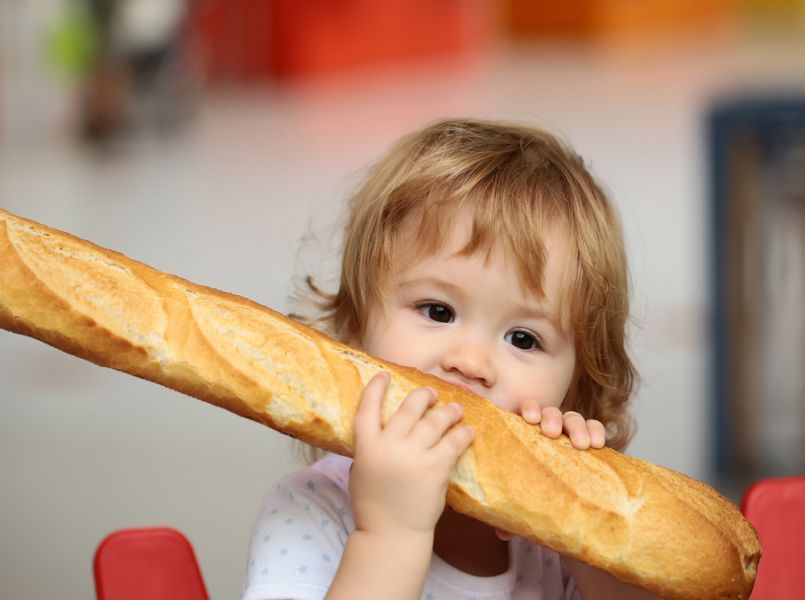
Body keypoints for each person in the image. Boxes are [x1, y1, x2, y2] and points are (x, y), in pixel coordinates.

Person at [242, 119, 654, 599]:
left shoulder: (552, 551)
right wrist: (391, 536)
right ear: (351, 335)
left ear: (577, 388)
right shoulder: (311, 512)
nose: (471, 362)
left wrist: (599, 547)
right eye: (438, 311)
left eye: (523, 339)